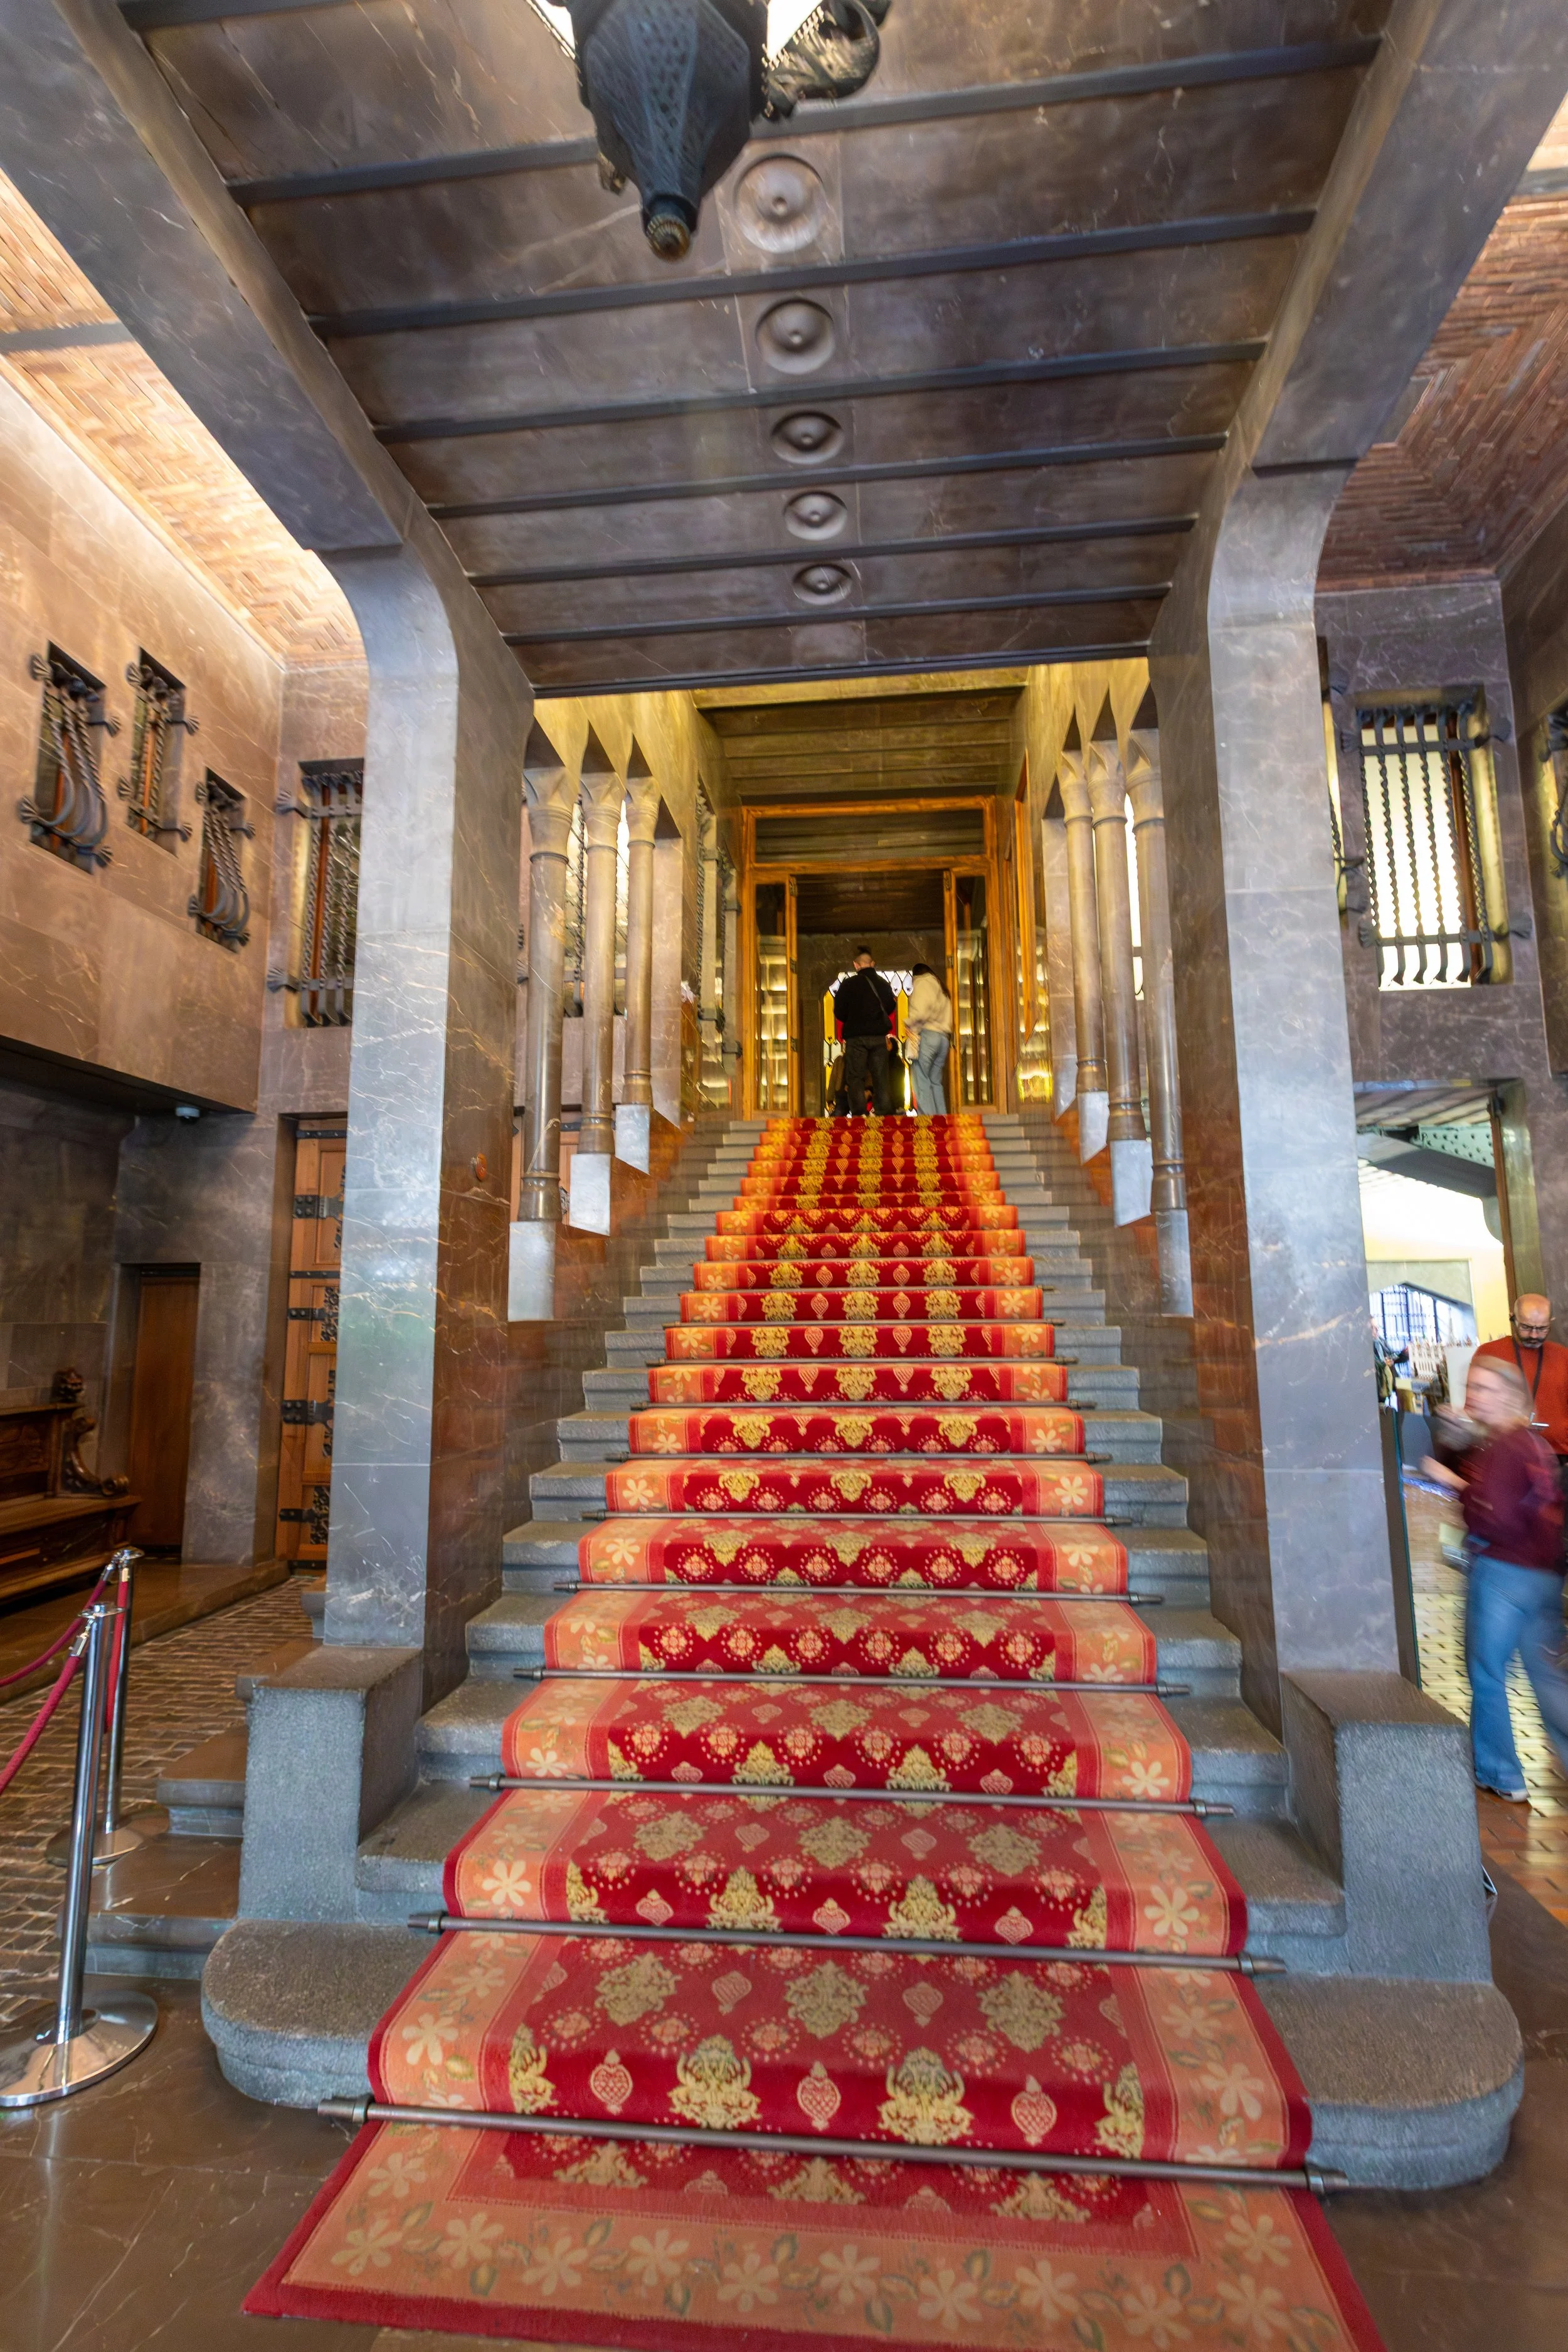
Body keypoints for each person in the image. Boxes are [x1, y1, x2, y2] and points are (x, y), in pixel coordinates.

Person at [1424, 1356, 1568, 1802]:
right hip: (1542, 1576)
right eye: (1472, 1386)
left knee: (1487, 1673)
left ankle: (1501, 1773)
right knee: (1548, 1677)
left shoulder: (1504, 1448)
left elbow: (1496, 1516)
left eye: (1484, 1389)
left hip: (1502, 1573)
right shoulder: (1528, 1443)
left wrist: (1455, 1485)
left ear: (1507, 1395)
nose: (1473, 1396)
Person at [1473, 1295, 1568, 1466]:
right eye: (1526, 1327)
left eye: (1542, 1329)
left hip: (1558, 1457)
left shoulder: (1563, 1356)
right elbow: (1475, 1406)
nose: (1534, 1335)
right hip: (1505, 1455)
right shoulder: (1488, 1353)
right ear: (1513, 1318)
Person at [831, 950, 896, 1117]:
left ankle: (859, 1112)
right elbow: (890, 1007)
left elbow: (839, 1012)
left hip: (856, 1038)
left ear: (856, 965)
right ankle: (884, 1112)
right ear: (873, 964)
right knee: (881, 1076)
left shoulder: (848, 985)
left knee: (856, 1077)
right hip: (877, 1037)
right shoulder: (882, 984)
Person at [906, 961, 953, 1115]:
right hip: (943, 1039)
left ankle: (928, 1121)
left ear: (916, 975)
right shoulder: (941, 988)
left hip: (928, 1036)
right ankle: (942, 1119)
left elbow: (920, 1011)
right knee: (935, 1082)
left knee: (921, 1079)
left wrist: (909, 1023)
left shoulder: (922, 983)